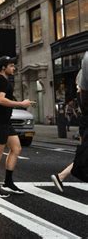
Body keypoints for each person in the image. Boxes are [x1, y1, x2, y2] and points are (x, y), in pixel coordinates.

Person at [0, 56, 32, 198]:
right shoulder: (0, 81)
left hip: (5, 121)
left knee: (16, 148)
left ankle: (8, 182)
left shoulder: (4, 81)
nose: (14, 68)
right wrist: (21, 104)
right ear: (3, 68)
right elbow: (0, 100)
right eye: (11, 66)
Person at [52, 52, 88, 192]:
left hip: (84, 122)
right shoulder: (83, 87)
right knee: (84, 156)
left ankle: (60, 176)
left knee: (84, 155)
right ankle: (60, 176)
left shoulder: (81, 84)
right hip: (85, 122)